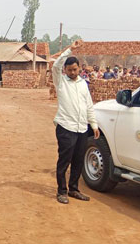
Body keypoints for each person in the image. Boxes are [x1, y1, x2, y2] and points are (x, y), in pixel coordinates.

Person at [52, 39, 100, 204]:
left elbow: (88, 105)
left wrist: (93, 124)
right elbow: (55, 65)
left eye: (75, 69)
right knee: (64, 161)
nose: (73, 72)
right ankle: (61, 191)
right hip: (66, 128)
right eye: (70, 70)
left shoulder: (82, 84)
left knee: (78, 160)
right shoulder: (60, 82)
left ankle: (74, 189)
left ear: (79, 68)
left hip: (81, 129)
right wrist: (69, 50)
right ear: (65, 70)